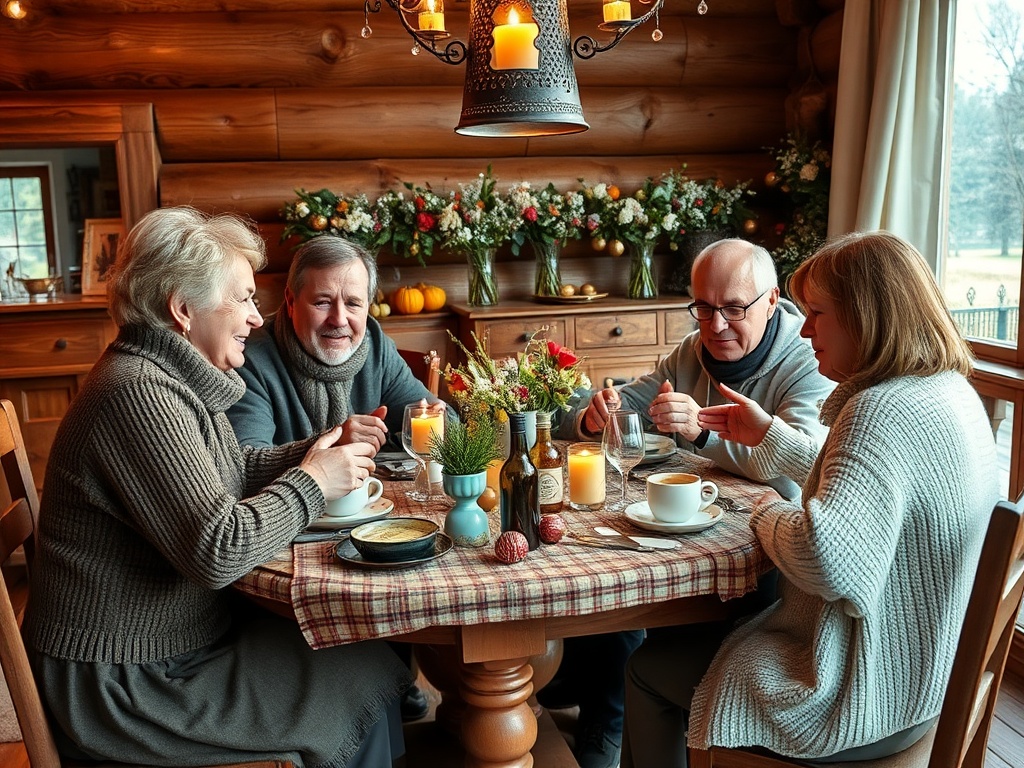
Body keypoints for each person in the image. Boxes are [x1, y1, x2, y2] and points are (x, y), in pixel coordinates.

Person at [23, 207, 411, 767]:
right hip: (125, 682)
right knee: (358, 668)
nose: (257, 318)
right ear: (183, 310)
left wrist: (312, 452)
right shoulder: (138, 395)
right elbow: (217, 549)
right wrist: (310, 482)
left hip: (166, 646)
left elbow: (226, 473)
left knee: (358, 647)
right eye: (244, 298)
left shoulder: (164, 378)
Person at [622, 231, 1001, 766]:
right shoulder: (949, 391)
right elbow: (872, 491)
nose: (805, 329)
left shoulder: (879, 411)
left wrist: (764, 512)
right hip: (923, 677)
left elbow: (826, 560)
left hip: (855, 694)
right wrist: (769, 437)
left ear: (865, 317)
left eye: (818, 314)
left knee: (646, 671)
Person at [542, 239, 836, 768]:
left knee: (626, 604)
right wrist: (593, 414)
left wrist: (702, 435)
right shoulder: (691, 351)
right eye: (702, 307)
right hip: (691, 528)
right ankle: (603, 706)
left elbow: (799, 466)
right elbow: (628, 402)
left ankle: (620, 709)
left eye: (733, 309)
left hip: (772, 564)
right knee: (612, 578)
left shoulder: (809, 359)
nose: (715, 325)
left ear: (771, 301)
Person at [226, 234, 439, 721]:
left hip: (363, 526)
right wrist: (330, 440)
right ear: (290, 301)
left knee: (409, 553)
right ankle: (373, 694)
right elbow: (242, 463)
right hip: (281, 549)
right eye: (322, 302)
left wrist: (442, 418)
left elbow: (423, 412)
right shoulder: (250, 359)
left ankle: (392, 686)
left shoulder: (375, 343)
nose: (340, 320)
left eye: (353, 303)